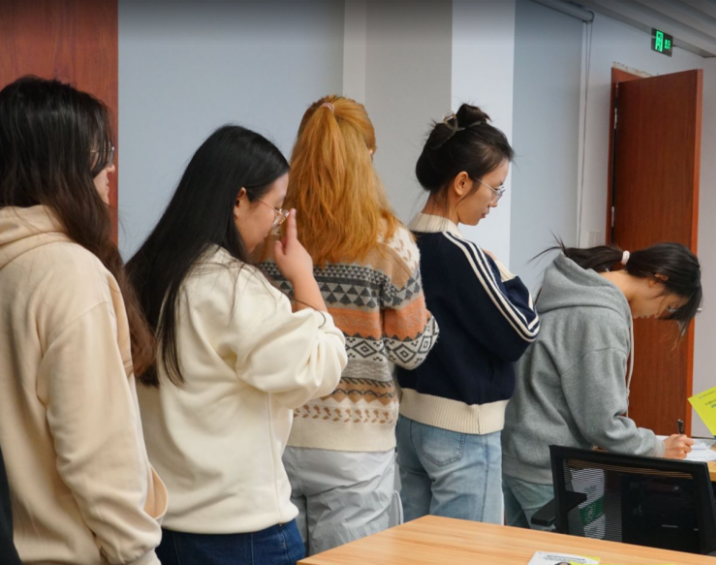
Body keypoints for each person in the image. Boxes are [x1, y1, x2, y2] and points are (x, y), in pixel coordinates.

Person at [128, 125, 348, 565]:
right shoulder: (235, 287)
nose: (276, 224)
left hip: (161, 527)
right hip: (240, 532)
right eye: (276, 208)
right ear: (239, 200)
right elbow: (321, 368)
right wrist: (303, 276)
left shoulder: (141, 273)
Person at [260, 96, 438, 555]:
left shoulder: (270, 234)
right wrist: (430, 322)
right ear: (369, 155)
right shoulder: (390, 241)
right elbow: (410, 351)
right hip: (356, 447)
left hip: (278, 437)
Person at [0, 76, 166, 564]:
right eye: (101, 151)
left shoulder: (14, 263)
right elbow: (97, 459)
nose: (111, 166)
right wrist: (140, 555)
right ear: (60, 163)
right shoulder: (69, 274)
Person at [396, 104, 540, 525]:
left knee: (417, 550)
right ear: (462, 182)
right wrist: (504, 273)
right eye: (495, 189)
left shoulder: (402, 243)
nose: (494, 202)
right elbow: (521, 332)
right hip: (463, 431)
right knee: (468, 551)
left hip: (410, 423)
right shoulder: (461, 253)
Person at [502, 242, 701, 528]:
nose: (658, 315)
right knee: (580, 550)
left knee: (523, 550)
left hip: (518, 456)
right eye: (668, 306)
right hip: (553, 469)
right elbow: (601, 423)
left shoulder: (569, 291)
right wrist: (657, 448)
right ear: (657, 280)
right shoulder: (601, 317)